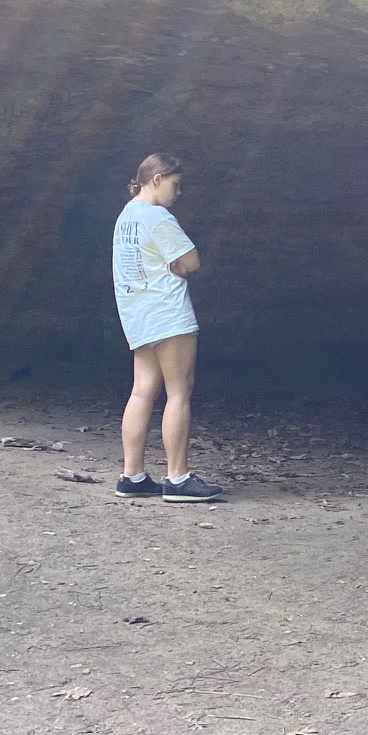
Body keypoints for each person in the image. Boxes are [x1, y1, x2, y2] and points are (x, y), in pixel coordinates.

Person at [111, 153, 223, 503]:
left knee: (142, 391)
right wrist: (176, 265)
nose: (179, 192)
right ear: (157, 179)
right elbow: (191, 261)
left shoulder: (126, 216)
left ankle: (132, 476)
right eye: (176, 184)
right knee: (179, 392)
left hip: (137, 313)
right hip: (168, 315)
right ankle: (177, 478)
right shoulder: (158, 217)